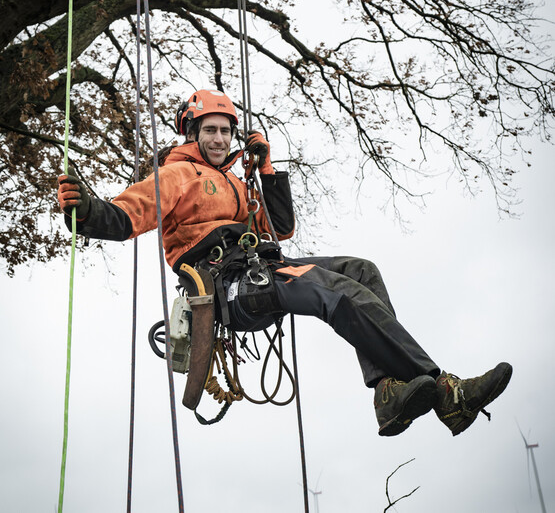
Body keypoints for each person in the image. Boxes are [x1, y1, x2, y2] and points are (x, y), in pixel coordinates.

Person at [57, 89, 512, 437]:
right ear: (192, 133)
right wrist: (87, 210)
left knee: (360, 271)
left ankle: (387, 392)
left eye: (225, 131)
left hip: (262, 264)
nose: (219, 138)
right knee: (336, 292)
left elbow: (280, 226)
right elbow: (126, 217)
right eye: (210, 130)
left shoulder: (236, 182)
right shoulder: (177, 174)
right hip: (227, 282)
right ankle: (447, 391)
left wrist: (267, 171)